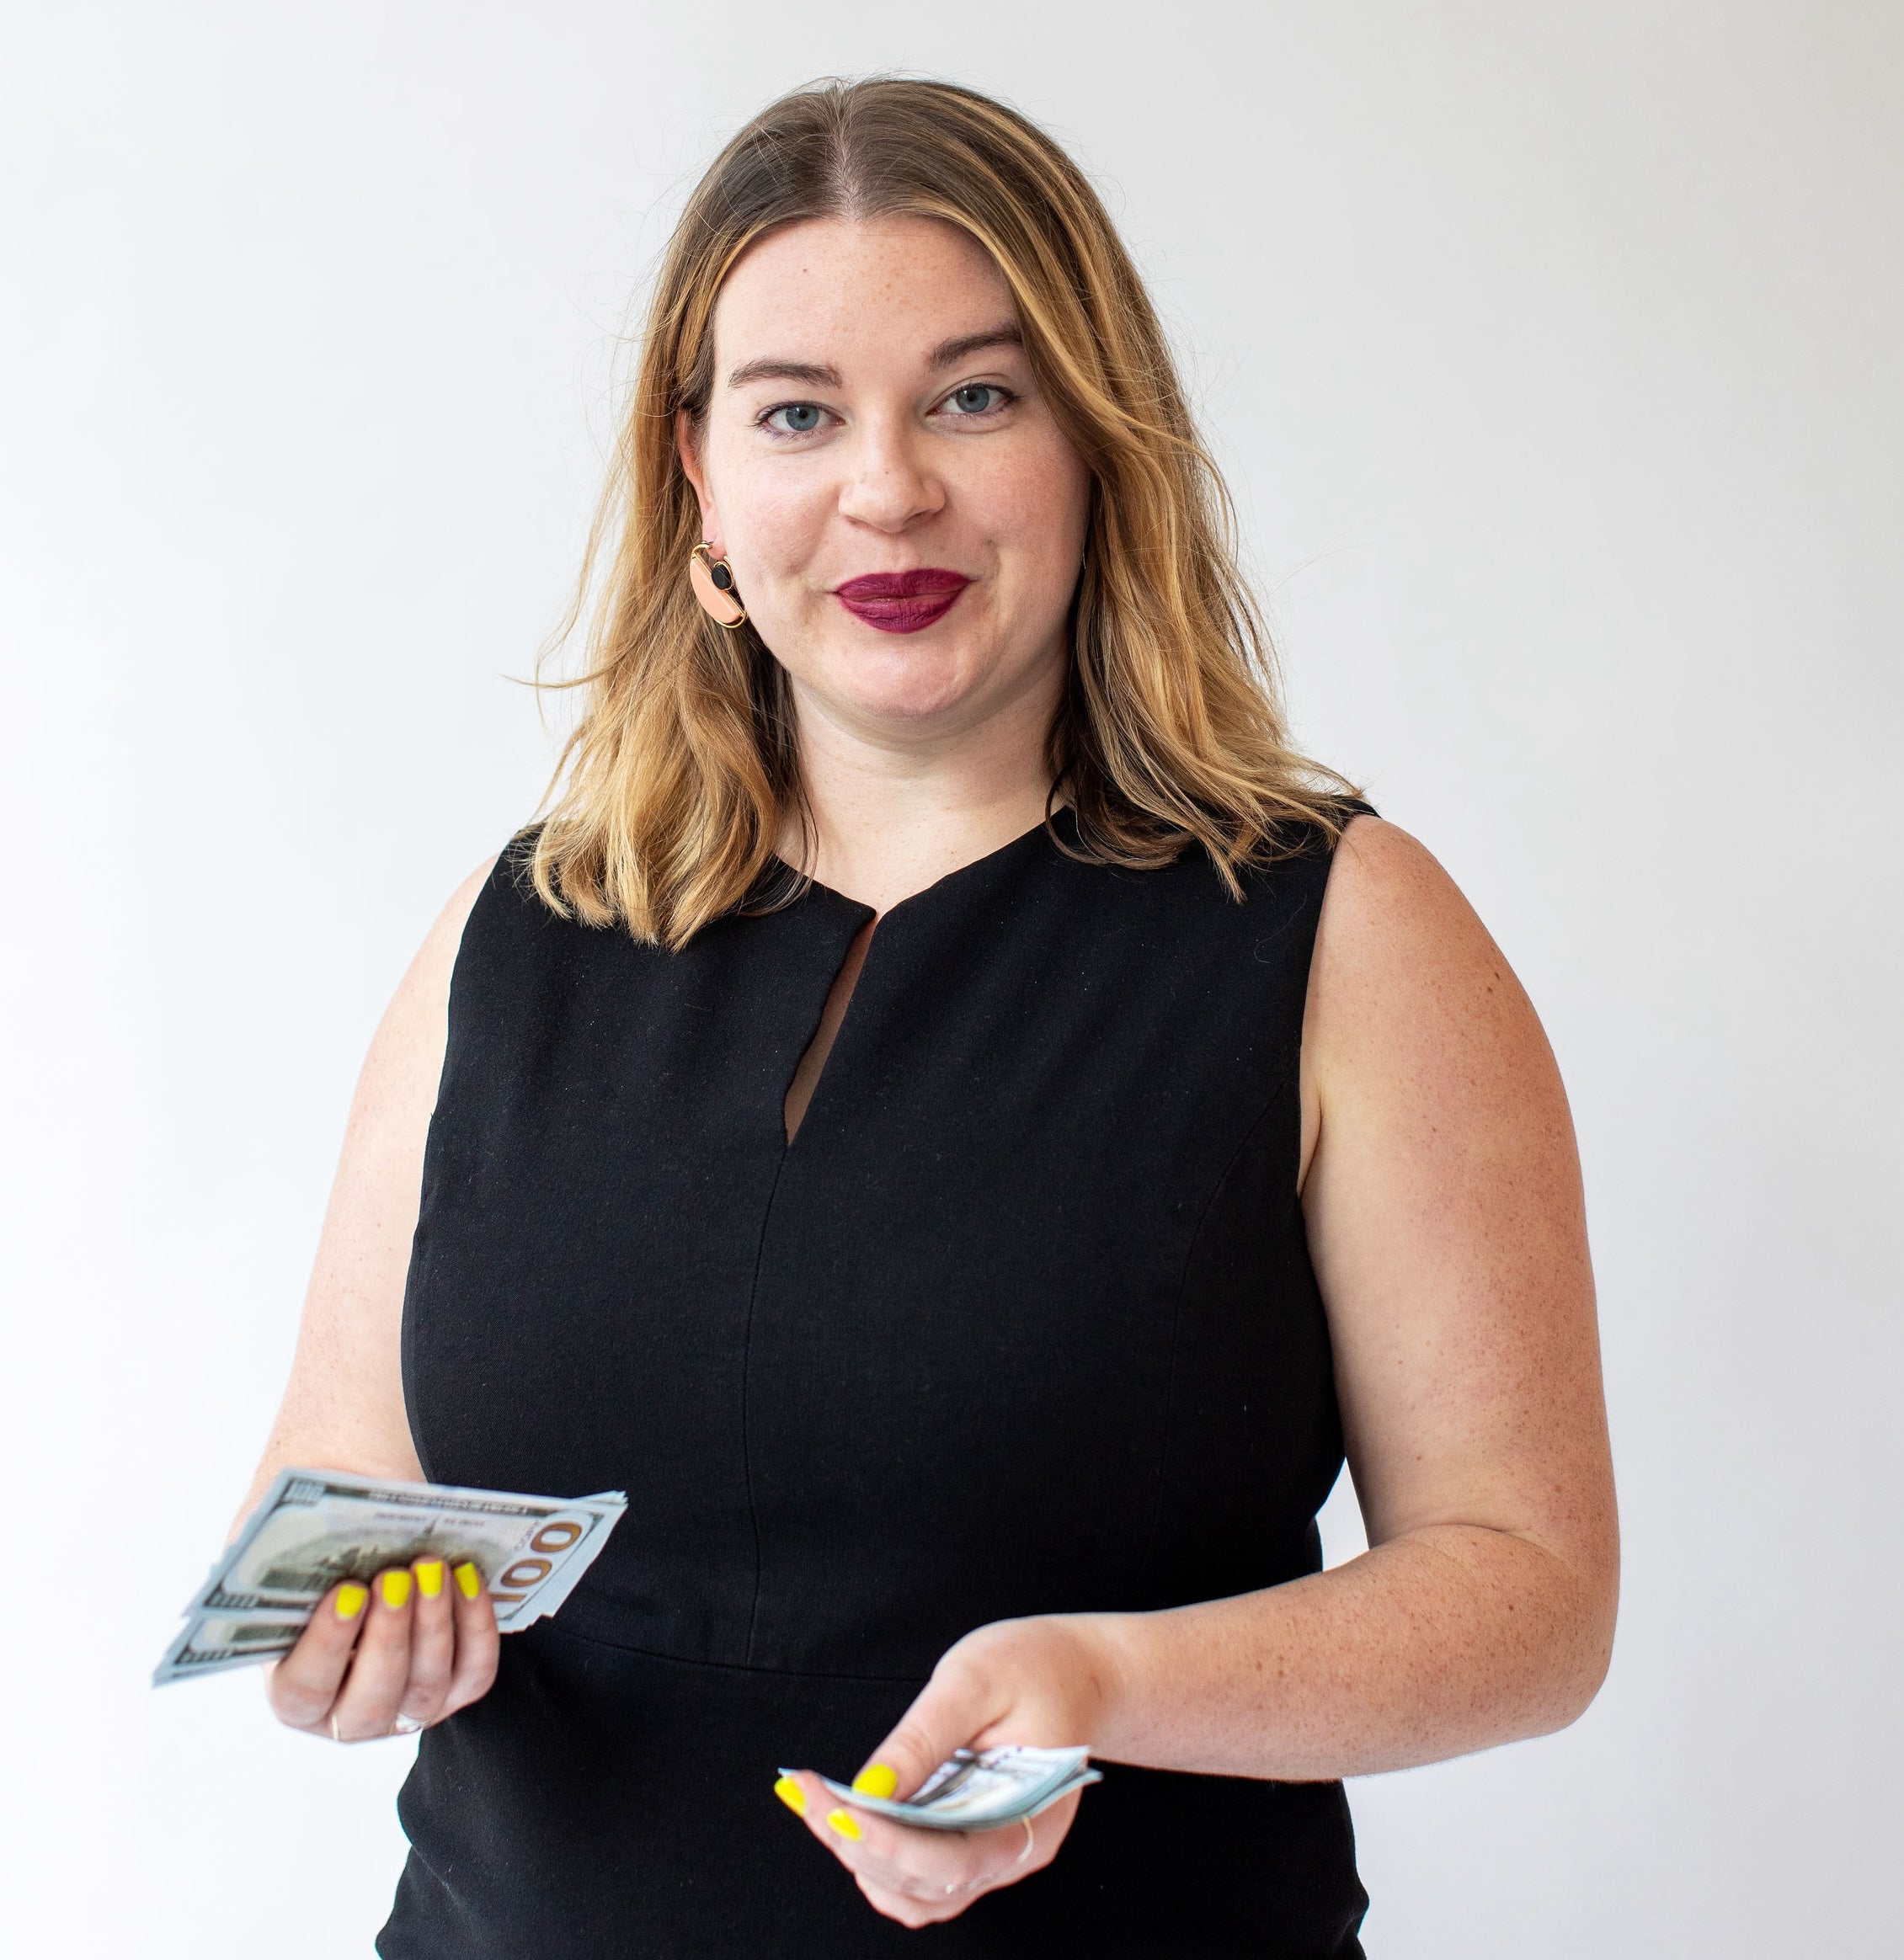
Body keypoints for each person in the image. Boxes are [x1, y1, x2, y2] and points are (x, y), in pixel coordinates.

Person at [234, 77, 1618, 1957]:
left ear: (1097, 446)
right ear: (701, 482)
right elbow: (336, 1504)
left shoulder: (1339, 931)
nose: (887, 488)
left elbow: (1530, 1594)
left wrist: (1106, 1687)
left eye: (976, 395)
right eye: (799, 412)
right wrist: (339, 1650)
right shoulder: (520, 930)